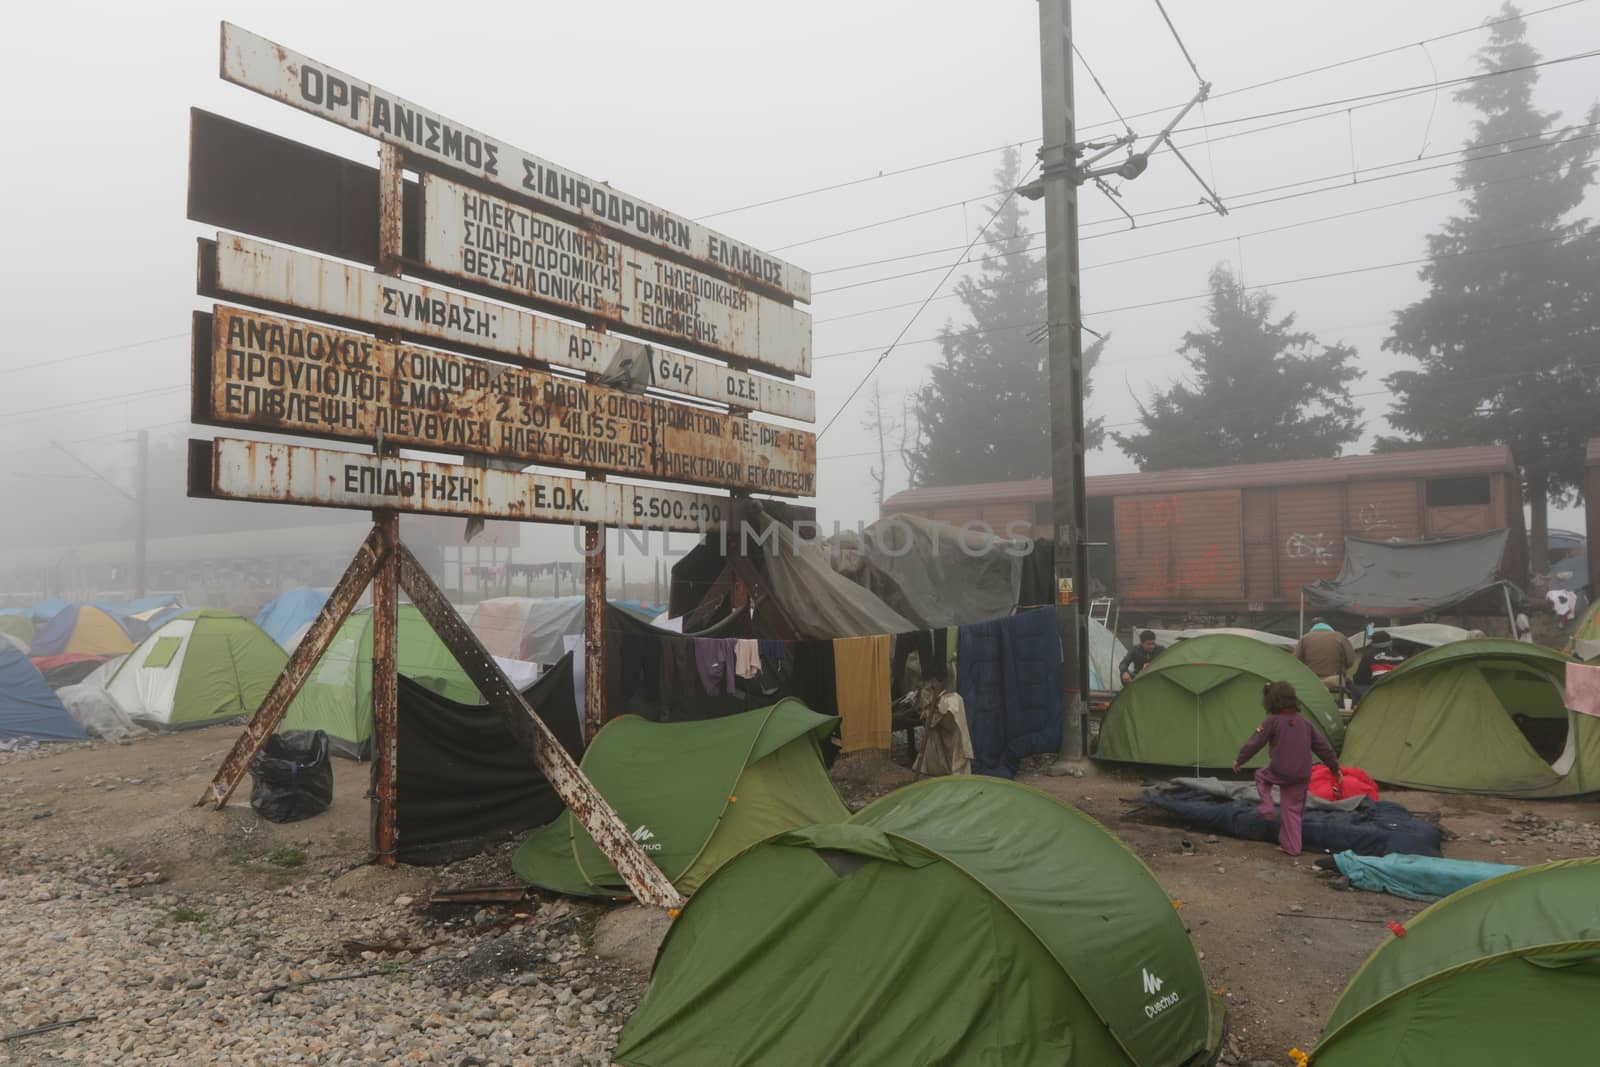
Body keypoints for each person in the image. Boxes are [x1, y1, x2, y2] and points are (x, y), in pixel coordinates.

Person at [1232, 681, 1341, 856]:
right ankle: (1292, 846)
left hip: (1280, 770)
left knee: (1261, 775)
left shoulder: (1271, 722)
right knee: (1292, 810)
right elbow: (1323, 747)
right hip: (1303, 774)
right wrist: (1334, 767)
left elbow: (1255, 742)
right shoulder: (1306, 723)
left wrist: (1240, 759)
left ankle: (1267, 806)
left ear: (1270, 701)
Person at [1292, 619, 1355, 694]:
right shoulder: (1340, 637)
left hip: (1311, 681)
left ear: (1312, 627)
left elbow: (1295, 662)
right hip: (1335, 681)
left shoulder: (1305, 638)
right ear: (1327, 625)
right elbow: (1350, 661)